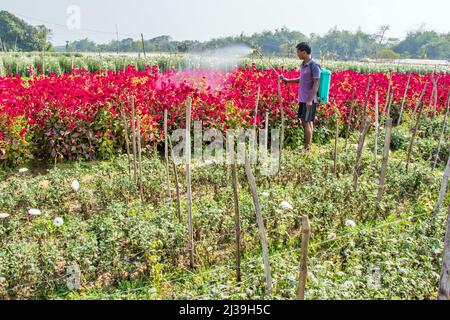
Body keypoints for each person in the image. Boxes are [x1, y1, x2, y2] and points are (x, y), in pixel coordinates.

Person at [280, 42, 321, 152]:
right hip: (303, 99)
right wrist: (288, 81)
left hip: (309, 99)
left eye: (298, 52)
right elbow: (302, 79)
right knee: (308, 122)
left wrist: (310, 100)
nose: (297, 54)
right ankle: (308, 147)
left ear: (304, 52)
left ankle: (307, 149)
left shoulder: (314, 65)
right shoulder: (303, 65)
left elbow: (316, 83)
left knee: (306, 122)